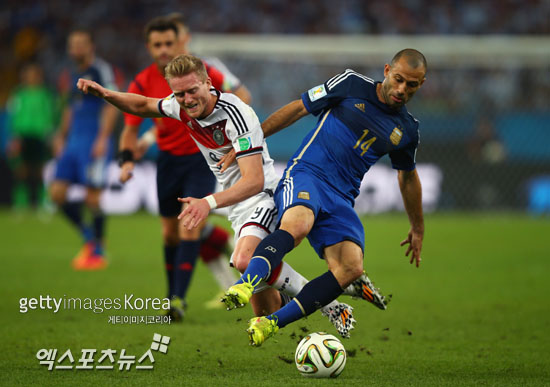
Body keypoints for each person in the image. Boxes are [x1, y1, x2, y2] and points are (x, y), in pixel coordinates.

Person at [77, 54, 387, 338]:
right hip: (233, 200)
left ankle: (331, 306)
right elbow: (144, 105)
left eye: (192, 90)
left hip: (261, 196)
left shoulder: (236, 114)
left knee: (243, 259)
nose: (186, 99)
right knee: (264, 309)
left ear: (208, 83)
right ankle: (339, 294)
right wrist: (106, 95)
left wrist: (207, 202)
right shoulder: (180, 105)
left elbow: (252, 181)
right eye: (180, 93)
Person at [222, 48, 427, 346]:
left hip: (341, 197)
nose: (401, 90)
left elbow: (407, 177)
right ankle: (244, 285)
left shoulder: (407, 130)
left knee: (351, 267)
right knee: (298, 225)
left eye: (412, 85)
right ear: (386, 70)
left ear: (421, 84)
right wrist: (250, 141)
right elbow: (298, 108)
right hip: (308, 173)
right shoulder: (351, 84)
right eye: (398, 80)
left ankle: (270, 324)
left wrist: (417, 227)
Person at [118, 17, 245, 320]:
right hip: (168, 162)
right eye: (157, 45)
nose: (163, 50)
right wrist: (126, 160)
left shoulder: (201, 71)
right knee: (170, 234)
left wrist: (235, 142)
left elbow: (241, 98)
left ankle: (176, 301)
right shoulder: (143, 80)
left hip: (201, 160)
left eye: (168, 43)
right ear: (149, 47)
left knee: (189, 226)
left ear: (180, 42)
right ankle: (217, 249)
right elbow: (130, 125)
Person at [49, 28, 119, 270]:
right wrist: (61, 136)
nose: (76, 49)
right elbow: (70, 108)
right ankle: (89, 236)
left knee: (92, 198)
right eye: (73, 44)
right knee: (56, 194)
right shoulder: (70, 74)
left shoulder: (100, 69)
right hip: (73, 143)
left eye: (81, 44)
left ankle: (98, 250)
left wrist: (102, 138)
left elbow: (111, 104)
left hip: (93, 140)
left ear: (91, 46)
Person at [6, 63, 57, 211]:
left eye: (34, 74)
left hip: (40, 136)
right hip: (23, 135)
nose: (31, 77)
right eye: (28, 74)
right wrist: (13, 136)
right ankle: (21, 204)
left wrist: (50, 135)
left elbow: (50, 116)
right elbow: (13, 115)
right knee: (21, 170)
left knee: (40, 171)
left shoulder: (45, 95)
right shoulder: (19, 94)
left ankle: (42, 203)